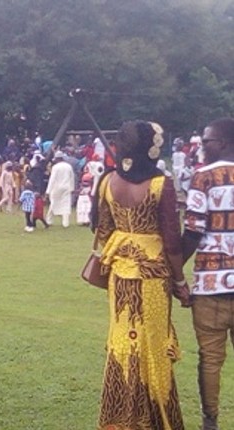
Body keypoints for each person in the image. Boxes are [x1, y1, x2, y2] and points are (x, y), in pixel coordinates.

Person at [92, 121, 189, 430]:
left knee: (122, 343)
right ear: (150, 147)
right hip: (153, 278)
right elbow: (172, 242)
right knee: (153, 345)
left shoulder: (107, 182)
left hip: (119, 275)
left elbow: (103, 230)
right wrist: (180, 282)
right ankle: (155, 419)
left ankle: (120, 418)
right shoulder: (161, 184)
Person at [181, 117, 234, 430]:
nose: (201, 146)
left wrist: (174, 273)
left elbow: (192, 232)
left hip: (211, 284)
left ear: (223, 143)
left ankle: (210, 422)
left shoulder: (204, 176)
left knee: (211, 359)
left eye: (207, 141)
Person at [45, 151, 75, 228]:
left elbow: (52, 179)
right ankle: (65, 223)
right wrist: (72, 188)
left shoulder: (55, 167)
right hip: (67, 187)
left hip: (57, 187)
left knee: (53, 203)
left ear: (58, 159)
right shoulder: (69, 166)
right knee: (66, 204)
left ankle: (49, 220)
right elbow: (72, 178)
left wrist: (48, 191)